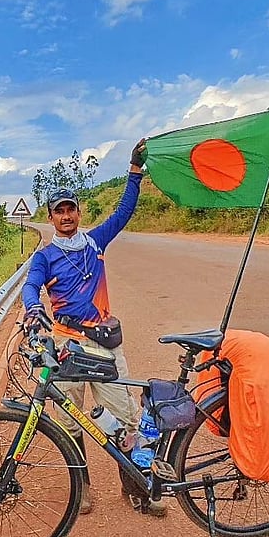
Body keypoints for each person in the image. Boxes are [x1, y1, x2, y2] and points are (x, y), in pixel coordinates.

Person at [21, 139, 166, 517]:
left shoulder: (96, 242)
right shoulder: (45, 256)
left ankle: (134, 487)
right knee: (72, 420)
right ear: (51, 217)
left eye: (71, 209)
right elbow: (29, 285)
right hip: (67, 347)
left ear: (79, 212)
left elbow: (124, 212)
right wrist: (34, 308)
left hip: (105, 345)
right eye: (59, 211)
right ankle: (83, 486)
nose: (66, 216)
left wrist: (134, 170)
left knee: (125, 418)